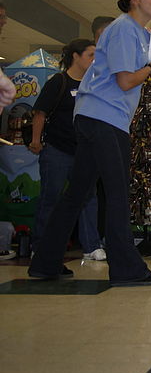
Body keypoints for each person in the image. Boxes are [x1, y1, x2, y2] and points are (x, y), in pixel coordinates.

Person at [28, 0, 151, 286]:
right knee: (118, 193)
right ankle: (126, 268)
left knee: (77, 193)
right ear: (134, 0)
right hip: (103, 119)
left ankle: (45, 261)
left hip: (97, 118)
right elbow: (125, 81)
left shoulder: (139, 34)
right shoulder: (123, 30)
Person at [28, 39, 105, 260]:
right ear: (75, 56)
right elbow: (40, 113)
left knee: (89, 197)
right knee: (51, 197)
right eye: (90, 55)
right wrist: (36, 140)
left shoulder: (94, 84)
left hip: (85, 151)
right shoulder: (58, 82)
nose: (94, 60)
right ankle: (41, 246)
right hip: (57, 150)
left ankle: (91, 245)